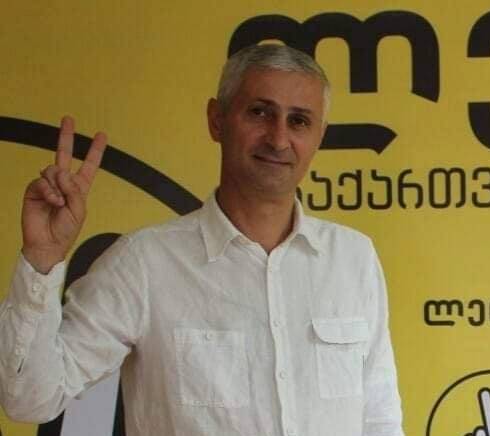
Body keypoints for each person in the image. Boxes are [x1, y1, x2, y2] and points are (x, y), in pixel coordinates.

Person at [0, 44, 403, 436]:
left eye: (299, 121)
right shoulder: (144, 264)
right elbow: (30, 400)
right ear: (216, 120)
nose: (279, 139)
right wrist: (42, 259)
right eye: (260, 112)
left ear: (319, 136)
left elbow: (379, 420)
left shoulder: (352, 257)